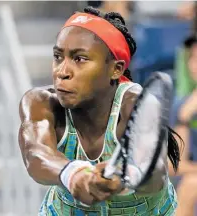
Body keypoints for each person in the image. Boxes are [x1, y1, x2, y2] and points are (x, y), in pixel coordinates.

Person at [18, 7, 181, 215]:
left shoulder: (135, 103)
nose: (62, 71)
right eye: (58, 57)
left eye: (80, 59)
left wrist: (123, 178)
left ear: (116, 69)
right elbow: (36, 154)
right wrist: (75, 175)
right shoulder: (41, 102)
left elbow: (155, 174)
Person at [170, 35, 197, 216]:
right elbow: (174, 165)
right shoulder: (183, 105)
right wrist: (183, 120)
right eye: (193, 58)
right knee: (190, 183)